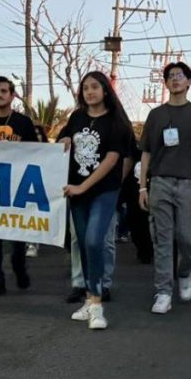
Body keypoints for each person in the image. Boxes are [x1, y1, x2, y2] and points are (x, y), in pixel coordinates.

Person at [138, 62, 191, 315]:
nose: (175, 80)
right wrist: (142, 187)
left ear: (189, 82)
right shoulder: (156, 115)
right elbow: (146, 152)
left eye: (180, 76)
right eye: (170, 76)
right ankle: (163, 292)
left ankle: (184, 272)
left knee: (187, 237)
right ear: (166, 83)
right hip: (159, 181)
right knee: (162, 239)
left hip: (189, 183)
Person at [58, 71, 133, 330]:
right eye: (86, 87)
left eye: (95, 87)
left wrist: (82, 187)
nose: (90, 92)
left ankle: (98, 306)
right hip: (77, 191)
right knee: (84, 247)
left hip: (103, 191)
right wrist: (65, 137)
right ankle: (89, 301)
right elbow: (65, 139)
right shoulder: (77, 117)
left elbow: (111, 160)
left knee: (93, 241)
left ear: (105, 91)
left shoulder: (116, 122)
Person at [0, 77, 40, 296]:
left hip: (18, 186)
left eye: (4, 91)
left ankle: (19, 267)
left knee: (18, 234)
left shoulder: (23, 123)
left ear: (12, 96)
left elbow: (38, 152)